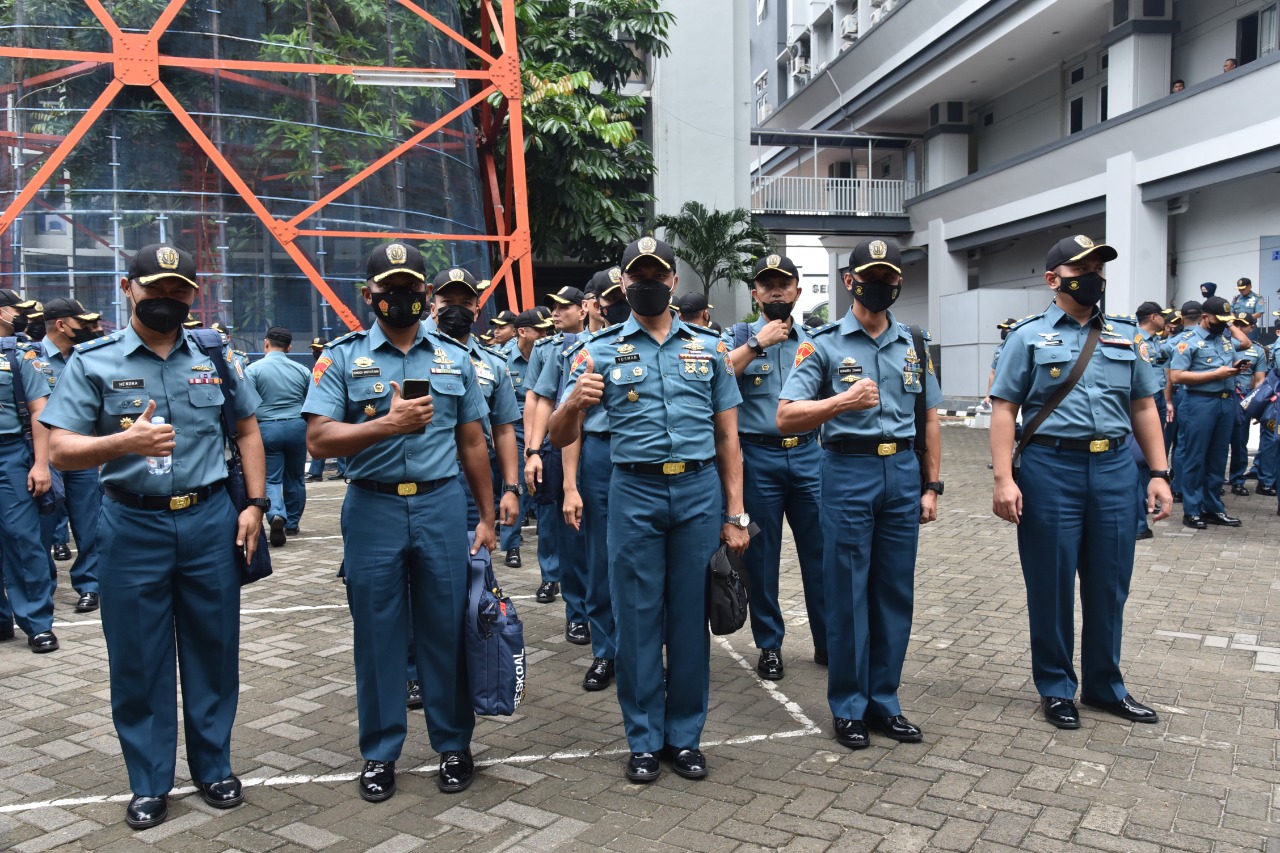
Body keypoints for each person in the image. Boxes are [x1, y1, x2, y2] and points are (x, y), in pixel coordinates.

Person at [41, 242, 267, 829]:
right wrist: (124, 443)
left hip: (209, 519)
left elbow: (247, 430)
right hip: (130, 523)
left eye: (178, 291)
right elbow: (61, 449)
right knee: (138, 660)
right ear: (128, 288)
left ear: (193, 295)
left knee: (213, 650)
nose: (166, 300)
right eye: (154, 289)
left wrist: (256, 505)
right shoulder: (93, 361)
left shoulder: (216, 357)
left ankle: (214, 768)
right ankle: (149, 782)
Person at [550, 236, 748, 784]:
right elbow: (560, 433)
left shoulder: (708, 349)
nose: (648, 285)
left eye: (656, 276)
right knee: (636, 619)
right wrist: (573, 402)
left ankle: (683, 738)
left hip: (697, 491)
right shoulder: (598, 351)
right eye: (636, 276)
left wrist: (736, 513)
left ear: (672, 283)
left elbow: (729, 438)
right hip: (632, 492)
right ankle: (642, 738)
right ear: (623, 284)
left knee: (689, 619)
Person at [303, 242, 495, 803]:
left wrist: (486, 516)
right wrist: (386, 425)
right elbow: (317, 437)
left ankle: (454, 744)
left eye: (412, 289)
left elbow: (472, 443)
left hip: (440, 505)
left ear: (425, 295)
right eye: (391, 291)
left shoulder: (454, 357)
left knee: (444, 629)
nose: (403, 299)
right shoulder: (340, 358)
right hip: (372, 507)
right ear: (369, 297)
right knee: (378, 634)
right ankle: (380, 752)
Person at [989, 234, 1171, 731]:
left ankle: (1105, 687)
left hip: (1114, 470)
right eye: (1081, 268)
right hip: (1051, 469)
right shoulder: (1026, 336)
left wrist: (1158, 473)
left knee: (1110, 583)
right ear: (1054, 280)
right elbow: (1004, 409)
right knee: (1050, 584)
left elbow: (1143, 407)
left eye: (1098, 267)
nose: (1093, 275)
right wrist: (1004, 478)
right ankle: (1055, 686)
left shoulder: (1123, 334)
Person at [778, 237, 942, 751]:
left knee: (894, 592)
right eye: (870, 276)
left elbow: (930, 416)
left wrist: (931, 484)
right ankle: (848, 707)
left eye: (889, 276)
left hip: (901, 476)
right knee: (848, 593)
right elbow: (786, 413)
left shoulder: (913, 342)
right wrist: (840, 403)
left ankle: (884, 702)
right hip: (847, 470)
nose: (880, 285)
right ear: (850, 282)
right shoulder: (822, 344)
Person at [725, 254, 827, 680]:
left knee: (822, 555)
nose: (775, 291)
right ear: (755, 293)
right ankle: (770, 644)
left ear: (798, 291)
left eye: (784, 284)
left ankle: (828, 640)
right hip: (759, 459)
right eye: (766, 285)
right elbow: (715, 376)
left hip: (809, 456)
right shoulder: (740, 336)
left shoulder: (818, 341)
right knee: (762, 561)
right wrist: (757, 344)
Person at [525, 285, 590, 642]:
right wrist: (532, 450)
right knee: (567, 530)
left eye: (565, 306)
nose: (558, 312)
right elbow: (539, 398)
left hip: (604, 452)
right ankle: (576, 609)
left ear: (586, 308)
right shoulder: (555, 349)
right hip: (560, 445)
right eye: (555, 306)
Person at [36, 298, 106, 611]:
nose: (91, 329)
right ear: (62, 325)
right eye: (83, 323)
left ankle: (90, 585)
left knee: (88, 520)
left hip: (81, 451)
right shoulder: (29, 357)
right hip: (43, 456)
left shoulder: (87, 358)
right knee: (42, 526)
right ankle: (42, 586)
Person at [0, 288, 59, 653]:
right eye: (12, 309)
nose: (18, 315)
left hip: (11, 454)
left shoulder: (21, 355)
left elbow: (40, 411)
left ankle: (37, 622)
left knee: (22, 539)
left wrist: (41, 463)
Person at [1169, 295, 1252, 529]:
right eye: (1220, 319)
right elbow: (1176, 376)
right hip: (1199, 403)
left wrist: (1234, 369)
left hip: (1226, 403)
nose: (1224, 324)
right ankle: (1192, 510)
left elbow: (1244, 343)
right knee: (1196, 457)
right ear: (1205, 317)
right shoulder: (1188, 341)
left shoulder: (1223, 339)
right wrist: (1216, 375)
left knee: (1217, 458)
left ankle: (1213, 508)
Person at [245, 325, 312, 544]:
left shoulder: (253, 370)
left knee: (271, 478)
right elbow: (310, 401)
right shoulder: (302, 370)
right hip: (297, 427)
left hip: (267, 429)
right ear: (289, 347)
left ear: (266, 343)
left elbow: (247, 405)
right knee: (295, 477)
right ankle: (292, 524)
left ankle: (275, 515)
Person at [499, 309, 552, 568]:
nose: (545, 334)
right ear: (522, 332)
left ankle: (549, 543)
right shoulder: (503, 359)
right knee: (516, 486)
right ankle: (511, 545)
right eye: (540, 330)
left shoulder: (550, 354)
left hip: (546, 428)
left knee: (546, 484)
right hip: (516, 429)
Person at [1134, 301, 1173, 540]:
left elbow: (1164, 374)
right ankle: (1137, 520)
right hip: (1139, 402)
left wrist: (1167, 402)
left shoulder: (1158, 342)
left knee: (1153, 458)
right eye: (1162, 316)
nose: (1165, 320)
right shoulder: (1134, 340)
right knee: (1138, 458)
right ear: (1152, 316)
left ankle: (1148, 502)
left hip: (1156, 399)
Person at [1162, 300, 1203, 501]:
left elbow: (1168, 374)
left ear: (1181, 318)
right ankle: (1181, 486)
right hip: (1195, 396)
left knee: (1167, 442)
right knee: (1184, 443)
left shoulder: (1172, 342)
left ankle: (1166, 482)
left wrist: (1167, 399)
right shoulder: (1214, 339)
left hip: (1173, 393)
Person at [1226, 314, 1267, 497]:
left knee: (1240, 442)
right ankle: (1215, 480)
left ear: (1251, 327)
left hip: (1244, 399)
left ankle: (1237, 479)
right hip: (1223, 395)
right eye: (1236, 324)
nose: (1239, 328)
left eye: (1244, 325)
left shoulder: (1257, 351)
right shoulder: (1222, 344)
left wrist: (1254, 405)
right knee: (1216, 442)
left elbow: (1260, 381)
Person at [979, 318, 1017, 412]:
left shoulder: (1022, 348)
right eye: (1002, 329)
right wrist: (988, 396)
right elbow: (993, 373)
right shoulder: (999, 350)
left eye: (1006, 329)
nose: (1003, 332)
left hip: (1017, 393)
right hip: (1000, 393)